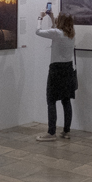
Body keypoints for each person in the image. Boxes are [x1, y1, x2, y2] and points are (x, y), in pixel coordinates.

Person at [35, 9, 77, 141]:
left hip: (56, 70)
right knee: (66, 100)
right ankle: (66, 131)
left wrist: (40, 18)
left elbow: (38, 31)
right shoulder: (71, 34)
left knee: (51, 100)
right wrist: (52, 19)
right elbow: (56, 31)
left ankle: (51, 132)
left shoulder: (57, 33)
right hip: (68, 69)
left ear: (62, 21)